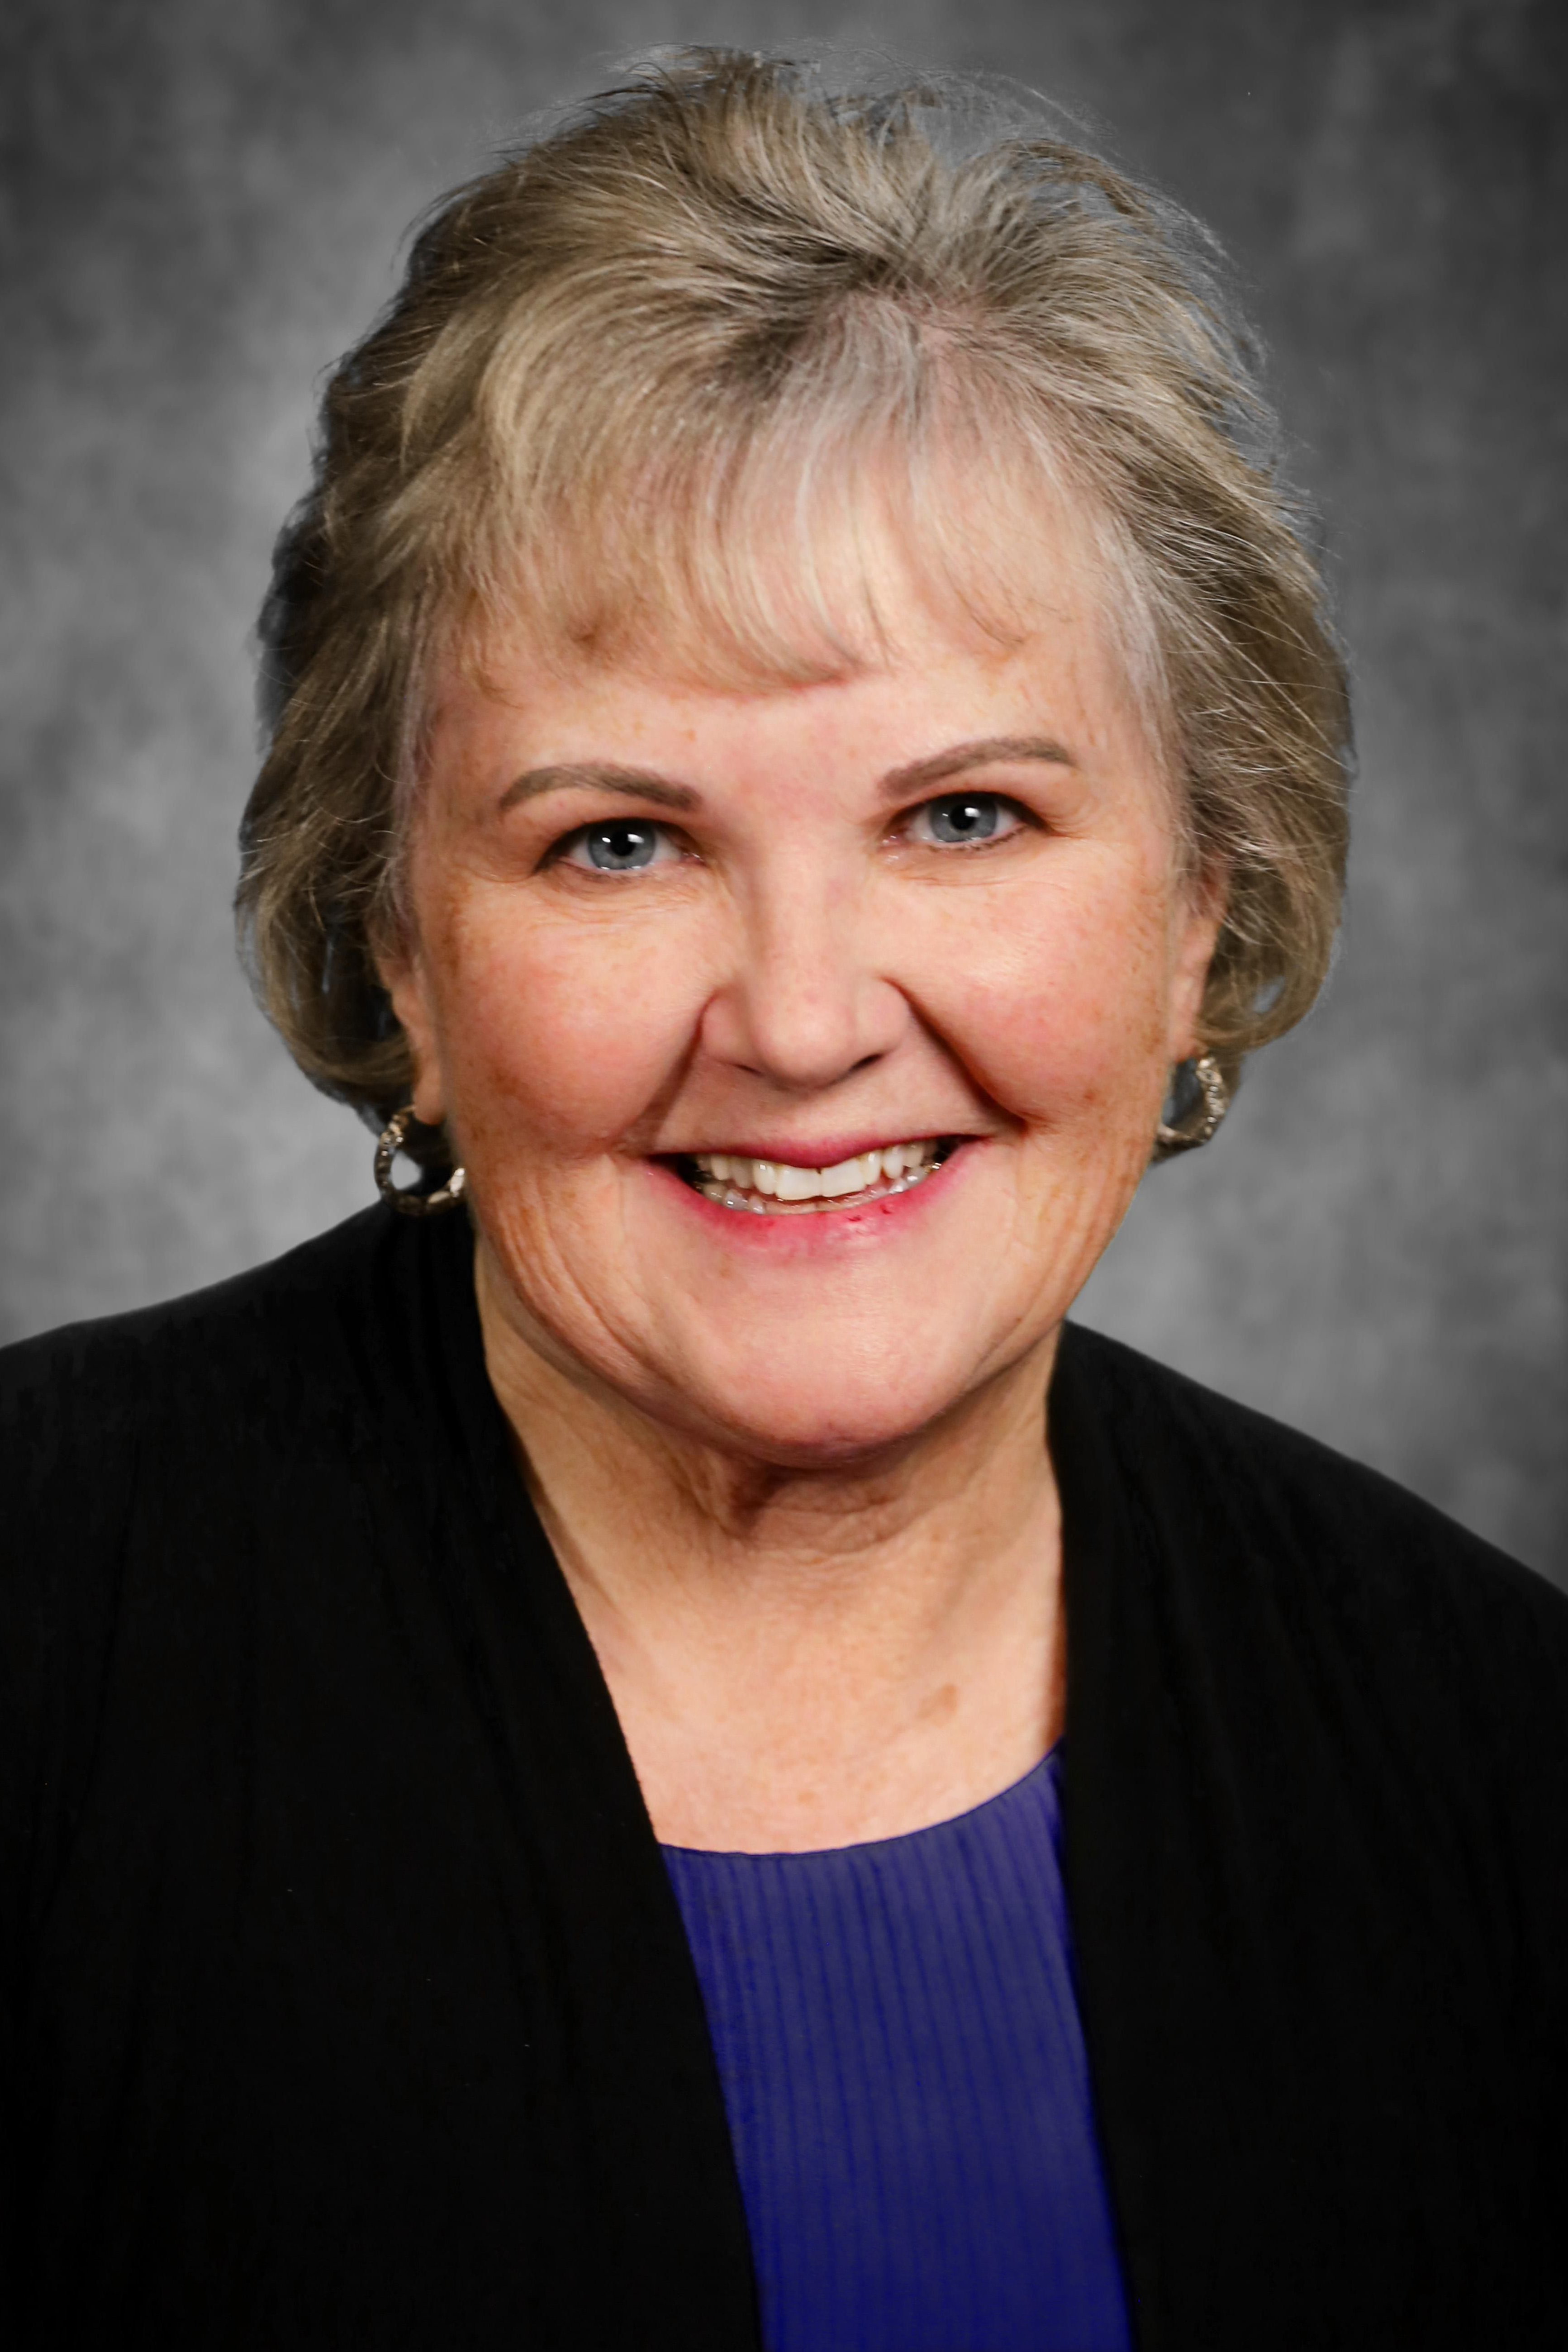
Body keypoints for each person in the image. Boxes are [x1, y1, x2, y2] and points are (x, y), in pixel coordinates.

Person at [2, 48, 1564, 2352]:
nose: (806, 1022)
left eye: (965, 817)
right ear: (400, 947)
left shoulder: (1500, 1760)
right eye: (620, 840)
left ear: (1200, 912)